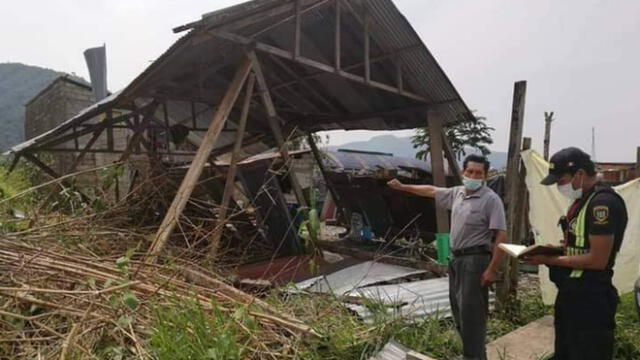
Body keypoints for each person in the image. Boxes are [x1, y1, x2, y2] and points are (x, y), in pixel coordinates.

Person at [388, 154, 507, 360]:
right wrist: (403, 187)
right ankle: (475, 355)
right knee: (459, 311)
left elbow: (501, 235)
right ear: (463, 172)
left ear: (486, 175)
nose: (473, 176)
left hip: (475, 261)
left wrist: (492, 268)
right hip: (457, 259)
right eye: (470, 172)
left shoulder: (490, 200)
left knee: (472, 315)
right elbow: (431, 191)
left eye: (478, 173)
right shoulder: (458, 193)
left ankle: (473, 356)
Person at [525, 147, 628, 360]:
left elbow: (597, 260)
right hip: (572, 296)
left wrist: (551, 259)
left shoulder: (602, 205)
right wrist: (554, 251)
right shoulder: (582, 202)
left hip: (591, 300)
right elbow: (580, 246)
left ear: (579, 174)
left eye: (561, 181)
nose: (559, 187)